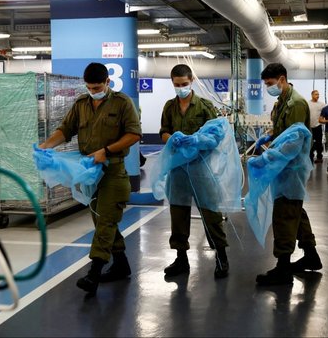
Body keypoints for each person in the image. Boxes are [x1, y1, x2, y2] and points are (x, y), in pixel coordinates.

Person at [39, 62, 142, 295]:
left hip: (113, 172)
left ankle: (93, 274)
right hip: (89, 174)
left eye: (97, 87)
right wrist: (46, 146)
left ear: (108, 82)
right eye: (89, 87)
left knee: (105, 221)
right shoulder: (81, 104)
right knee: (101, 219)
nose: (93, 91)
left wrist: (106, 151)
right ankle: (121, 265)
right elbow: (66, 129)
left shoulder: (122, 103)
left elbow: (134, 134)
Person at [159, 64, 229, 279]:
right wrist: (172, 139)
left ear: (191, 81)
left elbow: (216, 136)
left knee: (210, 213)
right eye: (177, 85)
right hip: (178, 168)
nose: (181, 88)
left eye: (184, 84)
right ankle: (181, 258)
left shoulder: (205, 106)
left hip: (200, 167)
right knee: (178, 213)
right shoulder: (169, 107)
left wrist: (197, 140)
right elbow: (164, 131)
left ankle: (221, 257)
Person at [255, 63, 322, 286]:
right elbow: (280, 129)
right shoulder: (282, 102)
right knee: (295, 209)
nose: (269, 88)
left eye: (271, 84)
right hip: (283, 165)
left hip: (291, 166)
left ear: (282, 79)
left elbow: (293, 142)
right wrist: (268, 135)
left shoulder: (296, 103)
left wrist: (268, 157)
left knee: (284, 212)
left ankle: (283, 268)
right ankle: (311, 256)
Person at [308, 90, 325, 164]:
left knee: (319, 143)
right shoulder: (307, 104)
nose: (317, 96)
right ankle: (310, 158)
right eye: (316, 94)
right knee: (310, 144)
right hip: (309, 127)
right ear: (312, 95)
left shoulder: (322, 104)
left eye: (318, 94)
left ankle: (319, 157)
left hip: (318, 126)